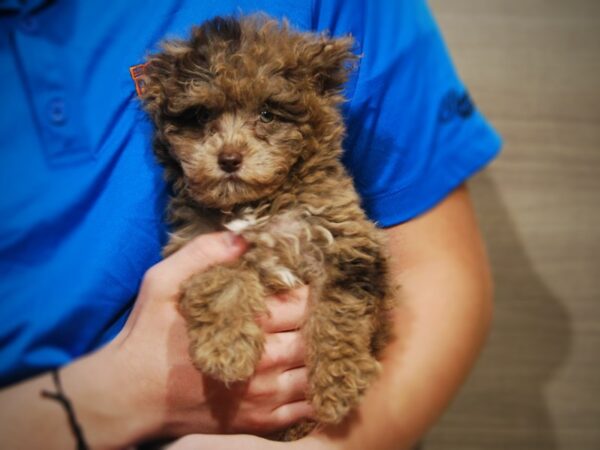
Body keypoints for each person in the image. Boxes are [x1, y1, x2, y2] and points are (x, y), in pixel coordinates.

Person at [0, 0, 501, 449]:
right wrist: (125, 393)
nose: (230, 148)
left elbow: (417, 270)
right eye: (203, 119)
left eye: (267, 115)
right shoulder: (195, 213)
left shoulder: (347, 23)